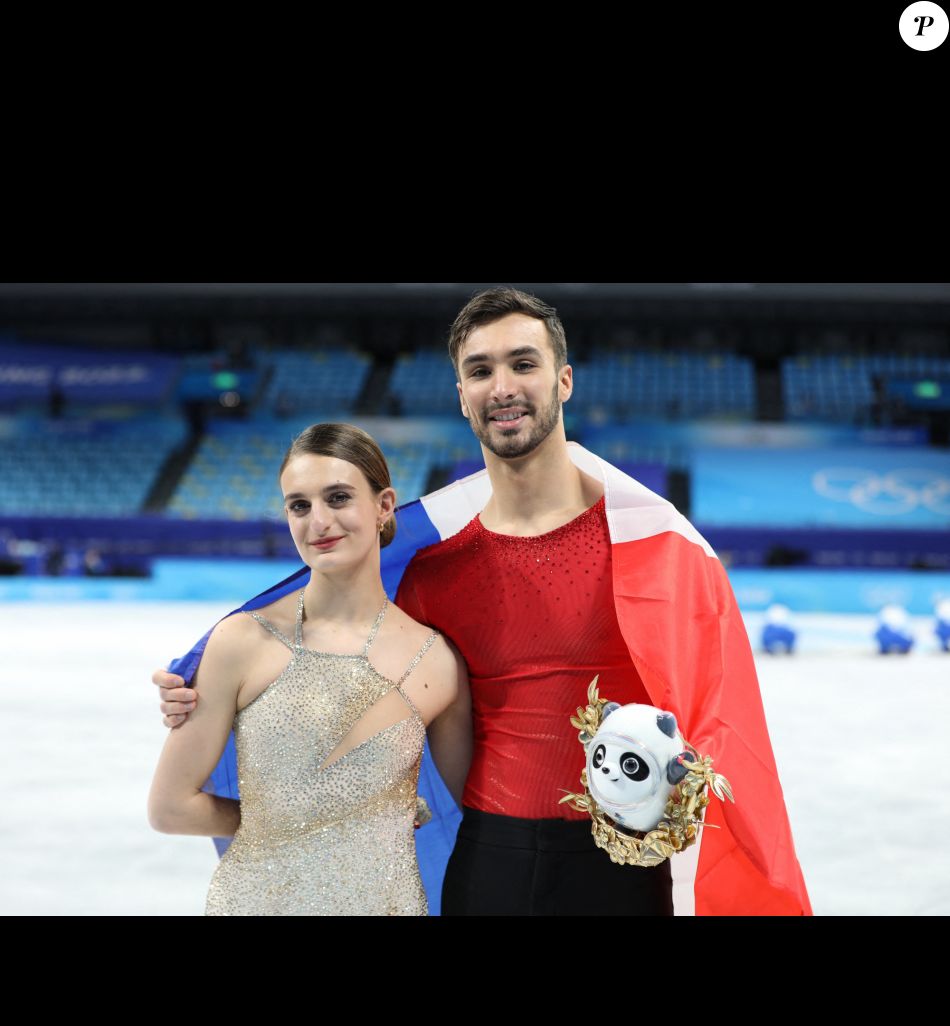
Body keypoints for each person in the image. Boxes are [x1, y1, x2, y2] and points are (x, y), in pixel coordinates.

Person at [156, 287, 811, 917]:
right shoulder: (433, 574)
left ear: (564, 380)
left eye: (523, 363)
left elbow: (716, 709)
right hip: (487, 864)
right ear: (463, 397)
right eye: (480, 370)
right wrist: (204, 688)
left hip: (621, 870)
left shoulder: (651, 554)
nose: (502, 386)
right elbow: (335, 657)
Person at [147, 422, 470, 916]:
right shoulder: (241, 641)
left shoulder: (437, 662)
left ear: (384, 506)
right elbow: (170, 807)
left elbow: (473, 815)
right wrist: (306, 822)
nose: (318, 521)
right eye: (300, 505)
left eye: (338, 498)